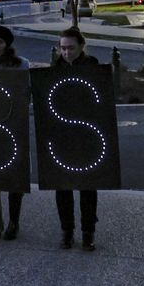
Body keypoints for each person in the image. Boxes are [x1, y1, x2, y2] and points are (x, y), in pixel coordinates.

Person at [0, 25, 30, 241]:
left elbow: (26, 94)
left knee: (14, 176)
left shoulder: (22, 65)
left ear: (7, 44)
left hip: (14, 125)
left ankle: (13, 222)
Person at [53, 27, 99, 251]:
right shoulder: (55, 69)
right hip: (63, 137)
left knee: (87, 186)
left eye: (70, 48)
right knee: (62, 185)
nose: (66, 52)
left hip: (86, 137)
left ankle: (88, 232)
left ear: (82, 47)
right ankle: (67, 230)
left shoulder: (92, 67)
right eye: (62, 48)